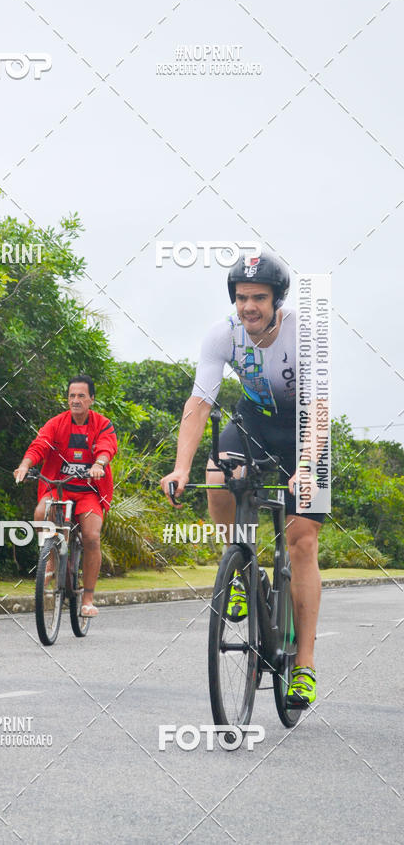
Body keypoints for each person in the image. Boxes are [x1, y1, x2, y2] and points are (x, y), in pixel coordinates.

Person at [161, 250, 328, 707]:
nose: (249, 306)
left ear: (277, 299)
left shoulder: (304, 334)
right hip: (255, 420)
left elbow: (317, 410)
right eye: (241, 298)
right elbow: (199, 403)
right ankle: (240, 570)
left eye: (258, 297)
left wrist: (308, 466)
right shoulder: (223, 335)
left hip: (304, 427)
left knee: (303, 542)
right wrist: (180, 468)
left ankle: (306, 666)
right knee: (218, 473)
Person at [14, 375, 117, 618]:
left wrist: (99, 464)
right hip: (59, 487)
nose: (76, 400)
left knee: (92, 536)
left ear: (91, 399)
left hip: (89, 491)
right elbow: (39, 445)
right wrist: (25, 466)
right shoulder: (56, 423)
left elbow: (106, 447)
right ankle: (50, 559)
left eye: (81, 396)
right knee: (41, 514)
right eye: (72, 396)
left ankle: (88, 599)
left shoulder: (102, 424)